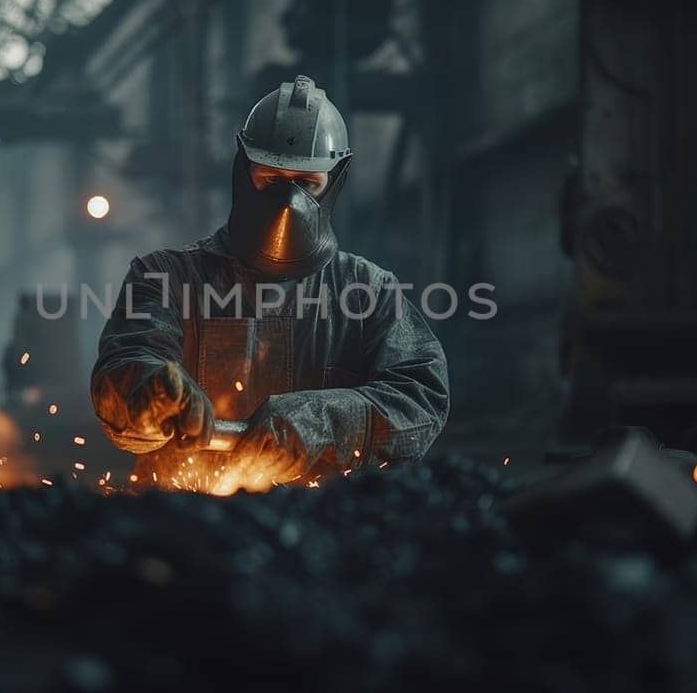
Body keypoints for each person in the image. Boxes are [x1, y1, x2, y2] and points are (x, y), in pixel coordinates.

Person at [90, 75, 449, 492]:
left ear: (335, 181)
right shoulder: (164, 277)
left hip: (321, 526)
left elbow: (421, 399)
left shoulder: (368, 291)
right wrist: (150, 393)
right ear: (244, 171)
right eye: (271, 180)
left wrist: (320, 421)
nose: (288, 202)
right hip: (183, 520)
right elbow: (123, 368)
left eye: (307, 184)